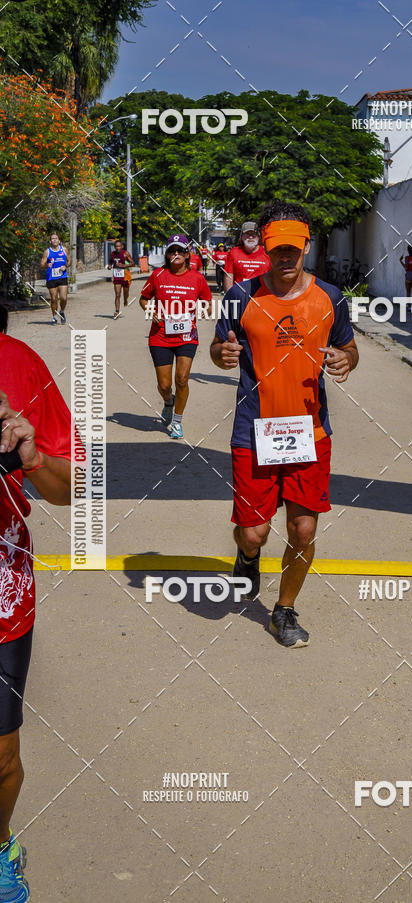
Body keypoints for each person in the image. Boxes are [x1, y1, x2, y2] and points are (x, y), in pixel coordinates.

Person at [210, 201, 358, 648]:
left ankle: (284, 610)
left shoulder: (330, 298)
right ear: (266, 249)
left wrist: (344, 360)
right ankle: (247, 554)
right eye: (278, 249)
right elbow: (219, 348)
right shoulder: (241, 297)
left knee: (303, 529)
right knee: (254, 531)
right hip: (255, 431)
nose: (286, 258)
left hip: (309, 432)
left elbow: (350, 349)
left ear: (306, 246)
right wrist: (223, 355)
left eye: (294, 248)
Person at [0, 306, 72, 901]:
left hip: (2, 591)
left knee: (0, 757)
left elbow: (73, 489)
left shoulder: (20, 365)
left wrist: (30, 454)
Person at [139, 235, 212, 440]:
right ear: (167, 255)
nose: (176, 254)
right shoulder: (158, 275)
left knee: (181, 379)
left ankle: (177, 422)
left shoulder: (197, 278)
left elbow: (206, 300)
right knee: (164, 385)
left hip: (187, 336)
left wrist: (204, 309)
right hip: (160, 336)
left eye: (180, 250)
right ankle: (168, 403)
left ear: (188, 254)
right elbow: (143, 299)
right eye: (172, 251)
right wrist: (150, 308)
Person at [223, 222, 270, 292]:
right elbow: (228, 276)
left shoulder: (267, 253)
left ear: (259, 236)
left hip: (261, 297)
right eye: (247, 234)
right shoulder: (234, 252)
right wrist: (230, 297)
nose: (250, 237)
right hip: (240, 295)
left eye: (253, 234)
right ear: (241, 236)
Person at [40, 233, 71, 325]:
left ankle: (62, 311)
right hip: (51, 278)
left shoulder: (64, 249)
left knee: (63, 298)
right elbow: (41, 265)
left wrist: (65, 266)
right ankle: (54, 316)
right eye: (52, 239)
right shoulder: (47, 252)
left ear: (59, 240)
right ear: (50, 241)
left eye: (56, 238)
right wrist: (47, 265)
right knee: (53, 299)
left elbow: (69, 261)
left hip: (62, 276)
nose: (54, 240)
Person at [106, 240, 134, 319]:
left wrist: (124, 265)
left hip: (125, 275)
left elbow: (133, 263)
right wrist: (109, 266)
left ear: (122, 246)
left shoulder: (126, 253)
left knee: (126, 292)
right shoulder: (112, 254)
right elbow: (110, 262)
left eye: (119, 246)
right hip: (117, 276)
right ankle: (117, 311)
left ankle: (125, 299)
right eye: (116, 246)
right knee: (117, 294)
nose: (118, 248)